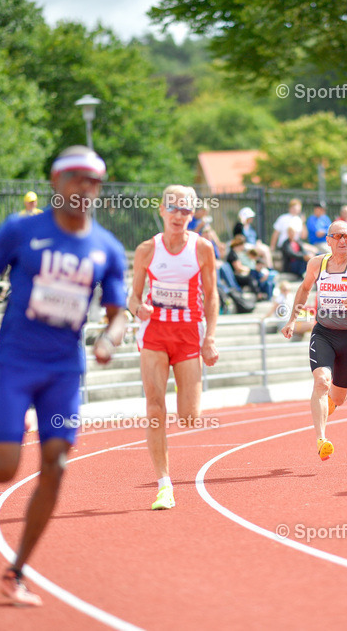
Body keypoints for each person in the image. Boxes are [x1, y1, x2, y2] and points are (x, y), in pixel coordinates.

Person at [0, 145, 129, 607]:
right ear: (56, 182)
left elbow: (119, 312)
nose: (85, 188)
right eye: (76, 178)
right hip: (16, 362)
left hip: (63, 371)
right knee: (3, 471)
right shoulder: (21, 230)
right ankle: (3, 434)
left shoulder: (107, 248)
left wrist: (109, 339)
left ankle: (16, 570)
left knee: (56, 464)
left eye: (94, 181)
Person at [130, 185, 219, 510]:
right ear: (162, 210)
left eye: (186, 209)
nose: (179, 215)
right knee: (155, 408)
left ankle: (187, 392)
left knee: (190, 418)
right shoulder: (146, 250)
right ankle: (164, 485)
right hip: (154, 334)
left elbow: (212, 295)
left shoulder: (202, 248)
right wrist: (137, 308)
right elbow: (133, 296)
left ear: (192, 214)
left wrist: (210, 338)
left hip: (189, 335)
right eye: (174, 208)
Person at [281, 221, 347, 460]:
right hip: (324, 333)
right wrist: (292, 320)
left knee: (338, 397)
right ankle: (321, 440)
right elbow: (304, 289)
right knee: (321, 381)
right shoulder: (317, 264)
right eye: (337, 236)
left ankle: (326, 407)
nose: (342, 241)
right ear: (328, 240)